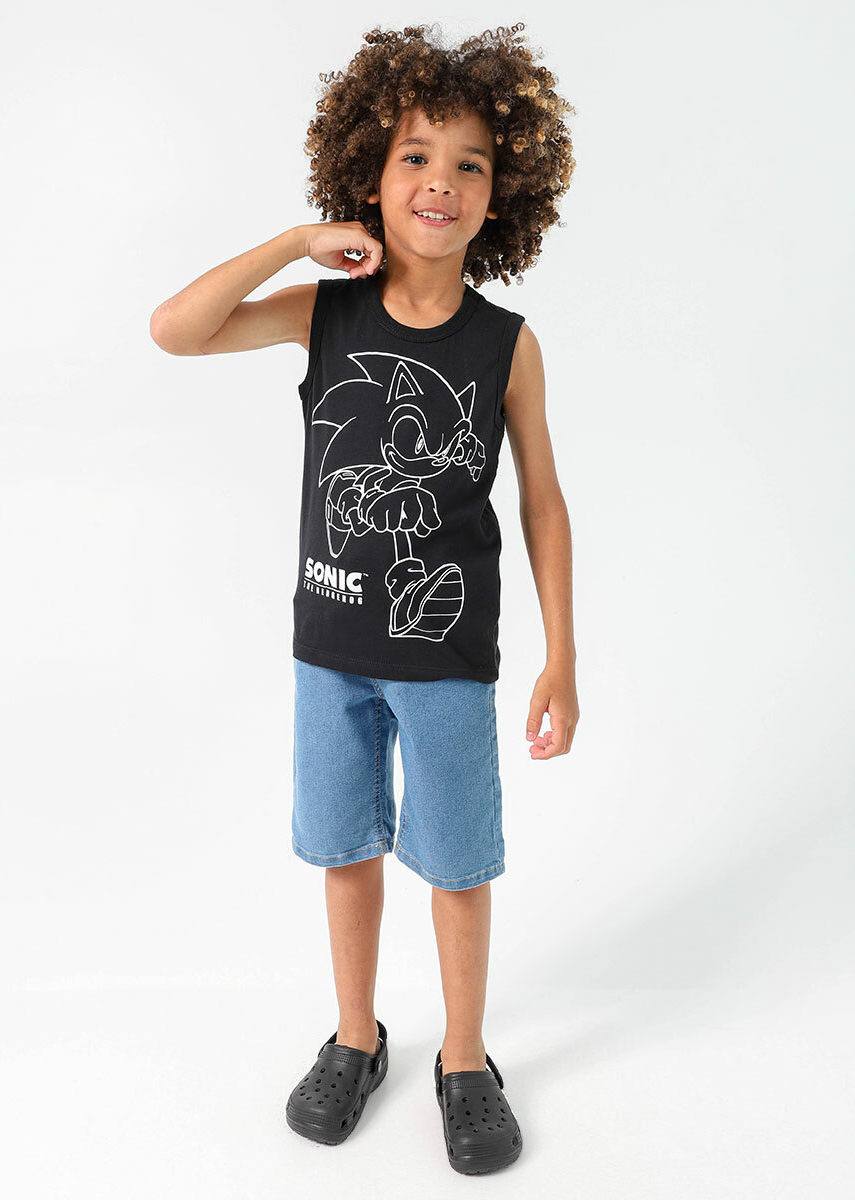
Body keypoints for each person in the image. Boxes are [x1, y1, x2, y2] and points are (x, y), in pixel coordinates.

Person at [150, 22, 580, 1175]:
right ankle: (355, 1039)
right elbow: (174, 331)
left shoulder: (507, 346)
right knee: (347, 850)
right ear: (370, 177)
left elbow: (542, 502)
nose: (440, 181)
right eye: (413, 156)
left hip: (447, 659)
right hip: (330, 645)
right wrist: (296, 244)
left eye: (469, 163)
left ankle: (465, 1061)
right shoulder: (327, 312)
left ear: (500, 194)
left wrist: (560, 655)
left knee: (456, 864)